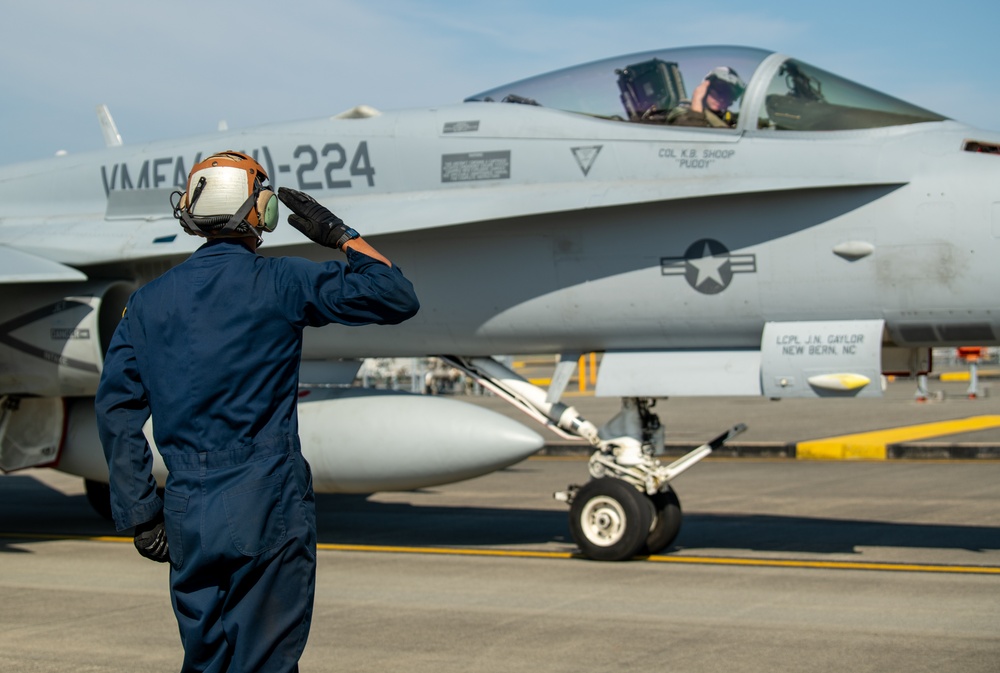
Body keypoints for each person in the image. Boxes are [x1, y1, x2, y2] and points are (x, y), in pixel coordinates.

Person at [95, 150, 419, 672]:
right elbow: (396, 296)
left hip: (185, 512)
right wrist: (339, 234)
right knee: (264, 661)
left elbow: (116, 410)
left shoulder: (148, 302)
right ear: (259, 212)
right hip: (264, 501)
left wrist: (139, 514)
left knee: (205, 660)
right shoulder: (281, 281)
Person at [668, 66, 746, 128]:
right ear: (705, 88)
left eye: (728, 95)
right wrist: (697, 100)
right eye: (719, 90)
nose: (722, 98)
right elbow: (692, 139)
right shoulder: (683, 114)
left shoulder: (730, 119)